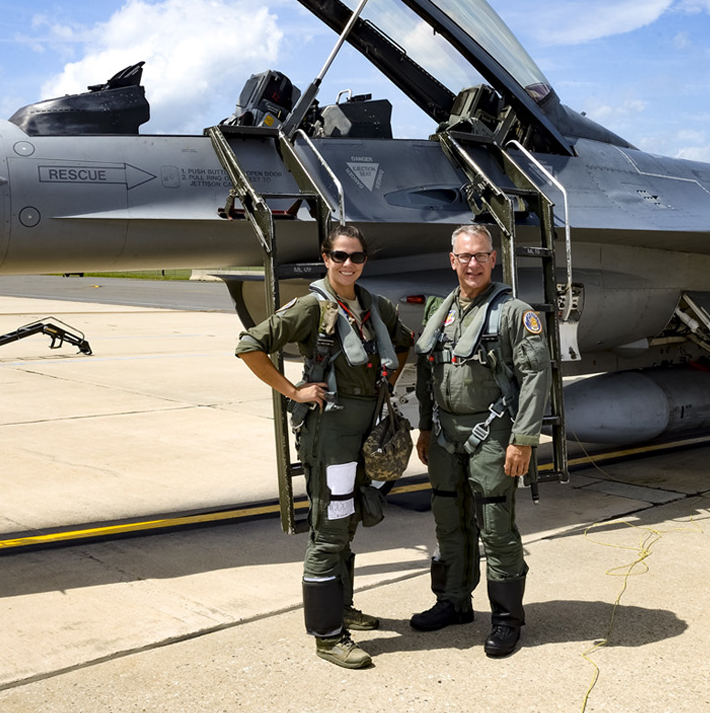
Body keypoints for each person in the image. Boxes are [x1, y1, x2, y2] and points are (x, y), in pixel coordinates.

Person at [235, 222, 412, 670]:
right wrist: (294, 392)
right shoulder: (312, 307)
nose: (348, 264)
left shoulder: (375, 307)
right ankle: (328, 636)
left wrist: (386, 384)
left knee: (349, 521)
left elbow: (403, 345)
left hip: (366, 431)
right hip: (330, 435)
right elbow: (250, 345)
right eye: (339, 256)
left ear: (364, 260)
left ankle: (341, 607)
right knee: (330, 528)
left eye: (356, 256)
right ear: (325, 258)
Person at [404, 224, 551, 658]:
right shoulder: (441, 312)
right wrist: (425, 427)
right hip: (444, 434)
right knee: (448, 520)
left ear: (493, 259)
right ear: (453, 261)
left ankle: (507, 619)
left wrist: (523, 439)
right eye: (465, 256)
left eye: (481, 255)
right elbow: (429, 373)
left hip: (493, 433)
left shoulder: (513, 313)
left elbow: (535, 376)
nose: (473, 264)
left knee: (495, 526)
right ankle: (453, 601)